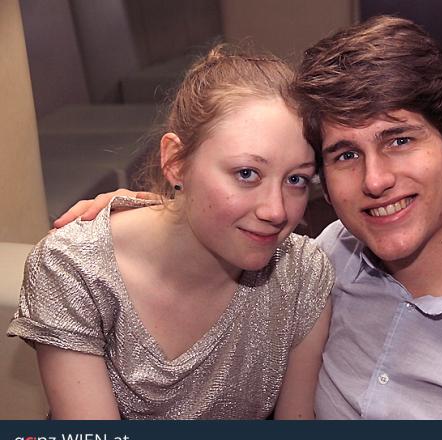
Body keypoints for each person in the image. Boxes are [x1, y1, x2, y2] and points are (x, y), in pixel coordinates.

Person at [52, 16, 442, 419]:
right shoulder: (328, 260)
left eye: (399, 140)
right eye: (345, 154)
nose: (374, 181)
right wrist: (164, 206)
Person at [7, 45, 334, 420]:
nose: (276, 211)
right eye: (247, 174)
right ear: (176, 161)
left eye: (296, 180)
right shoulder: (75, 268)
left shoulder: (302, 275)